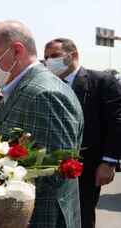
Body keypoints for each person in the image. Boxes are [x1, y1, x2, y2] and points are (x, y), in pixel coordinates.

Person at [0, 21, 84, 228]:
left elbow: (54, 173)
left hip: (40, 218)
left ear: (16, 51)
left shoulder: (44, 94)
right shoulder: (23, 87)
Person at [44, 38, 121, 228]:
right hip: (50, 165)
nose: (48, 61)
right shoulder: (48, 84)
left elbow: (117, 123)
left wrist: (109, 162)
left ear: (74, 55)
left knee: (82, 216)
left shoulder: (102, 81)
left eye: (54, 56)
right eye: (45, 57)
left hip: (87, 166)